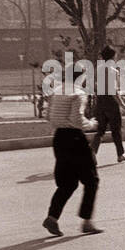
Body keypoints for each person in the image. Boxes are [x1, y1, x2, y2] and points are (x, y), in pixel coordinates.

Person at [42, 57, 102, 236]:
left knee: (67, 184)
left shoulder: (56, 92)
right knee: (91, 180)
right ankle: (87, 221)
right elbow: (77, 119)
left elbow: (49, 117)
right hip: (75, 138)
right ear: (80, 77)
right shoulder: (78, 93)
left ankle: (52, 217)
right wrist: (91, 124)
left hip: (59, 138)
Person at [90, 45, 125, 162]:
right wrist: (123, 104)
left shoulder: (97, 70)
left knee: (100, 130)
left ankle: (92, 150)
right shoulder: (113, 71)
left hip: (100, 102)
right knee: (116, 130)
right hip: (111, 103)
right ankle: (120, 154)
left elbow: (93, 85)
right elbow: (113, 90)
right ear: (113, 57)